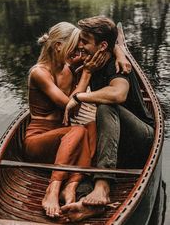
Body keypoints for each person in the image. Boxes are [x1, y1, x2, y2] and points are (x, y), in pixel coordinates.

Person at [23, 21, 131, 219]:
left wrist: (120, 52)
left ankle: (71, 186)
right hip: (38, 143)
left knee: (91, 126)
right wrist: (87, 74)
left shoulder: (68, 67)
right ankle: (53, 190)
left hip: (60, 139)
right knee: (79, 130)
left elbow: (102, 42)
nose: (78, 54)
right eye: (73, 48)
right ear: (58, 46)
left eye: (79, 49)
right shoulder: (39, 73)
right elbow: (68, 106)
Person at [62, 16, 154, 222]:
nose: (80, 45)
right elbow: (73, 113)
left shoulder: (117, 65)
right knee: (86, 172)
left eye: (85, 41)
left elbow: (118, 94)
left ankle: (102, 187)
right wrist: (86, 73)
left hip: (141, 137)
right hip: (115, 141)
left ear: (102, 45)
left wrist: (79, 96)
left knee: (105, 106)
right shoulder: (92, 62)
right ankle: (87, 203)